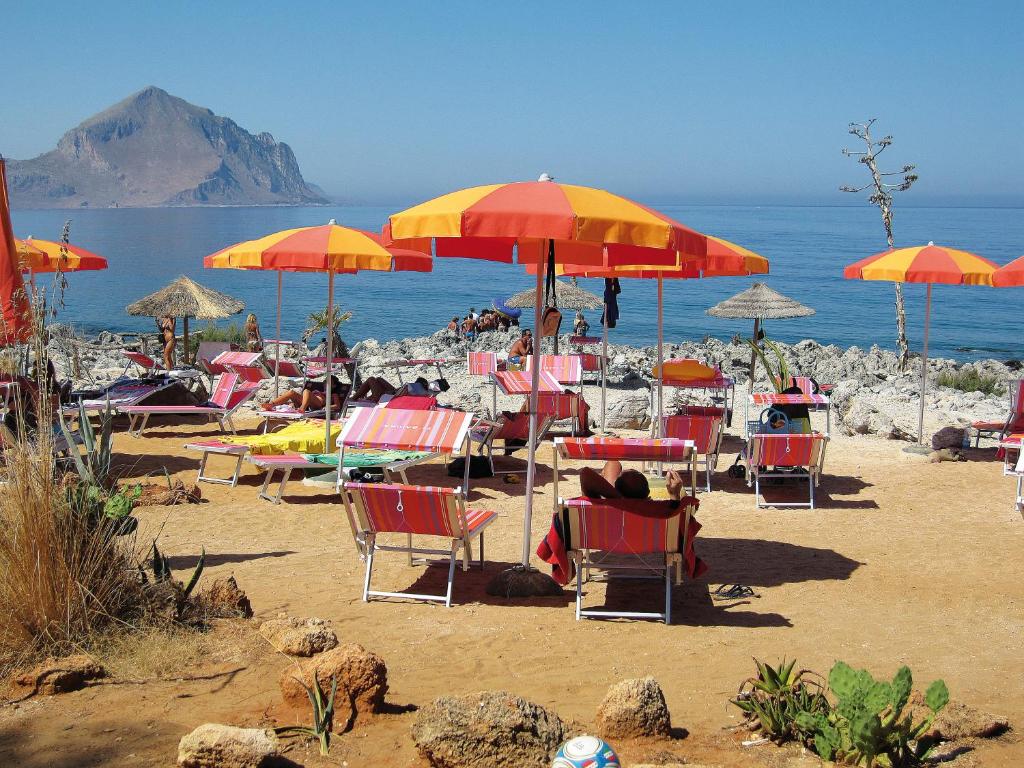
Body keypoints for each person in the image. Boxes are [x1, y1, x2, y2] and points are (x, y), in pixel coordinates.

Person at [580, 461, 687, 506]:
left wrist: (619, 498)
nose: (631, 468)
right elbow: (675, 513)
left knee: (613, 463)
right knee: (614, 463)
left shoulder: (604, 506)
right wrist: (674, 495)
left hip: (613, 514)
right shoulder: (655, 508)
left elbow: (585, 473)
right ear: (648, 493)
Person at [264, 374, 346, 413]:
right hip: (308, 403)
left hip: (317, 405)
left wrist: (326, 407)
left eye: (329, 382)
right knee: (291, 392)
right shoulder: (320, 390)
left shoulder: (333, 394)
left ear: (334, 385)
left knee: (306, 391)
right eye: (325, 381)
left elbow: (337, 406)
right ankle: (271, 404)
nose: (325, 383)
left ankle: (302, 408)